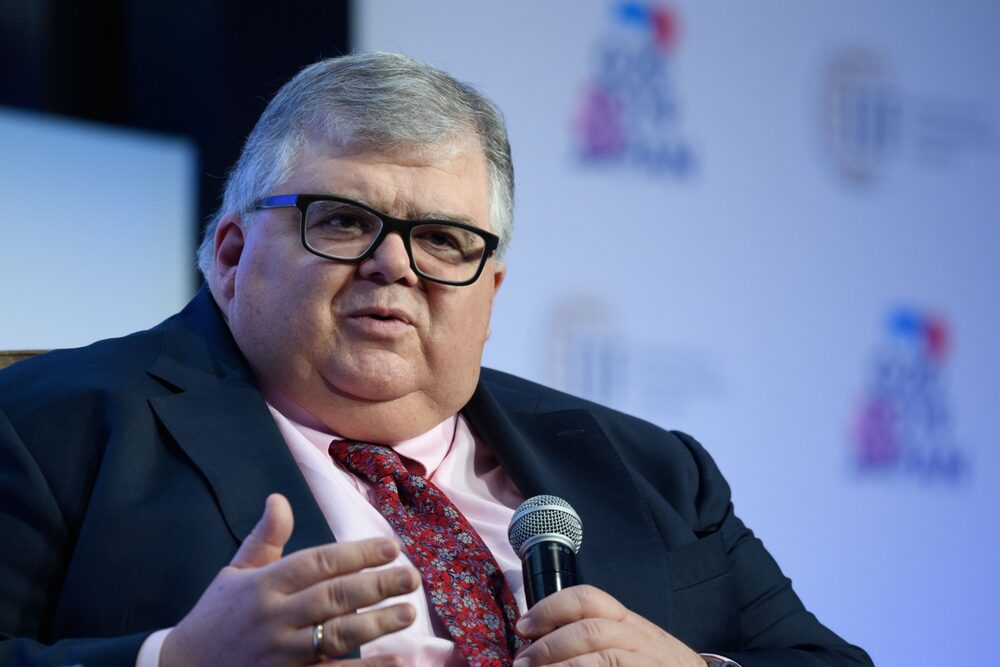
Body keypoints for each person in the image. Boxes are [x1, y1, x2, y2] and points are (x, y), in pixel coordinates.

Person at [0, 53, 872, 667]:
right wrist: (175, 661)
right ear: (230, 254)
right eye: (342, 220)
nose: (396, 264)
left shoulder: (651, 471)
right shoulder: (53, 424)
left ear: (490, 286)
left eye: (444, 239)